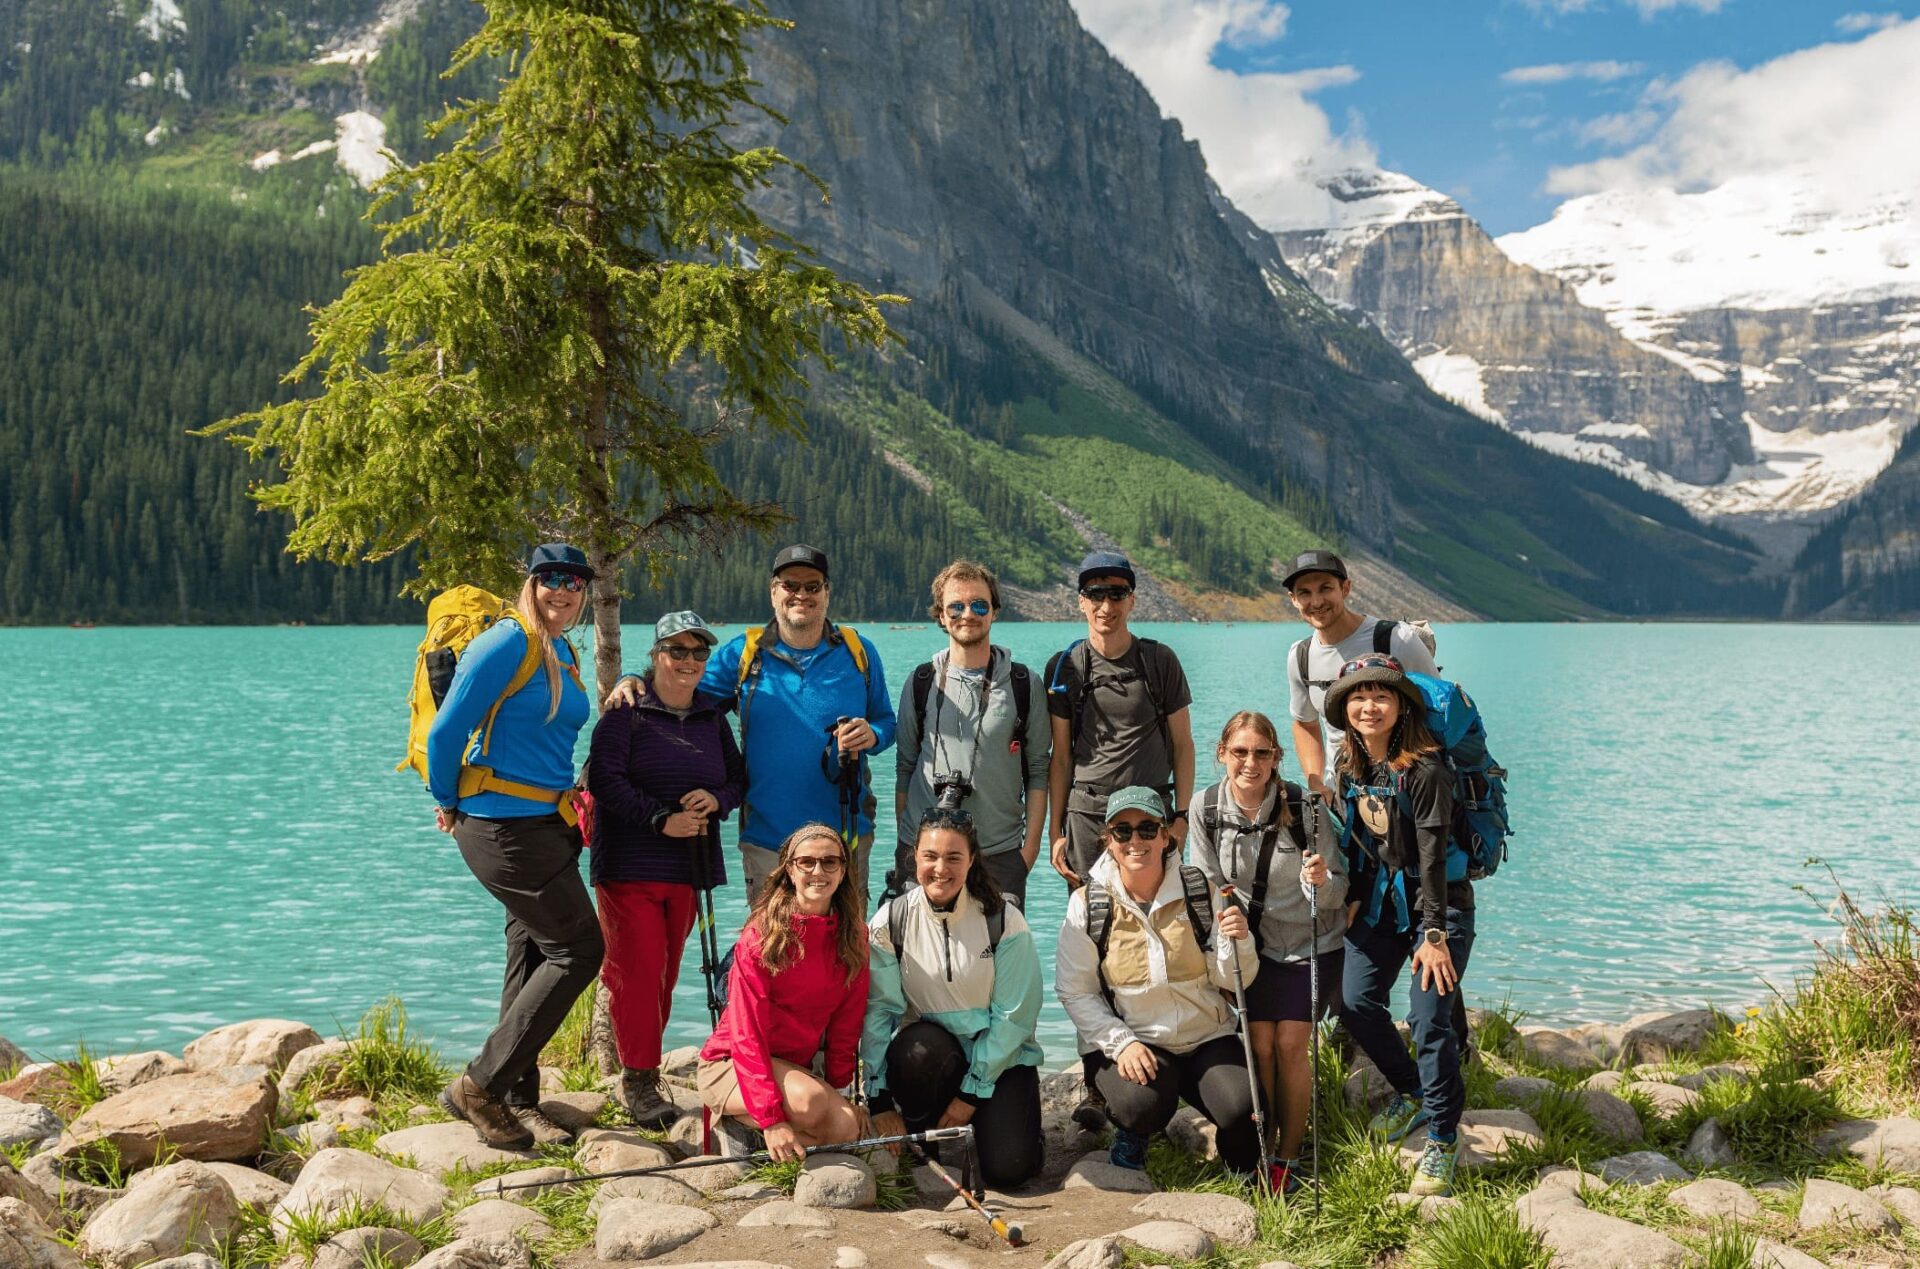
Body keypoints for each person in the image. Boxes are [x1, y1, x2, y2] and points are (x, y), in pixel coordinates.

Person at [427, 543, 603, 1150]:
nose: (564, 590)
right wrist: (447, 799)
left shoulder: (562, 650)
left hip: (547, 824)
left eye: (575, 582)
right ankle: (478, 1086)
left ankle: (515, 1096)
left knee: (531, 951)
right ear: (530, 583)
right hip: (500, 826)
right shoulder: (508, 641)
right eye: (551, 579)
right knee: (580, 948)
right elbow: (448, 729)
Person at [612, 544, 895, 900]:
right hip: (767, 839)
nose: (801, 595)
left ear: (827, 592)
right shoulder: (744, 654)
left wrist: (872, 735)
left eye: (813, 586)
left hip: (846, 834)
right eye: (790, 585)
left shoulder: (859, 651)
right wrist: (633, 678)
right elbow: (681, 690)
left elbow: (886, 721)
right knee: (773, 951)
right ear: (773, 591)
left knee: (846, 951)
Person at [1046, 550, 1195, 1129]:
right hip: (1088, 821)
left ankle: (1172, 1055)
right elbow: (1061, 755)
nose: (1105, 605)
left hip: (1152, 819)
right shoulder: (1065, 667)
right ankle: (1098, 1083)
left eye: (1116, 594)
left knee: (1166, 935)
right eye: (1094, 594)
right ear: (1080, 601)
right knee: (1094, 943)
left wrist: (1181, 816)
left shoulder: (1159, 662)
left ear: (1133, 599)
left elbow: (1182, 745)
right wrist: (1060, 827)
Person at [586, 610, 745, 1129]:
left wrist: (715, 799)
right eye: (678, 651)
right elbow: (605, 783)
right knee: (637, 973)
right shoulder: (624, 716)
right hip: (630, 866)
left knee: (664, 976)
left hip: (688, 868)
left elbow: (739, 780)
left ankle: (644, 1070)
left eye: (699, 653)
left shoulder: (712, 718)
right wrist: (660, 820)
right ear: (655, 654)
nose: (689, 661)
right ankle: (637, 1081)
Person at [1324, 654, 1473, 1198]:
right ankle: (1412, 1090)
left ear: (1400, 706)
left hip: (1440, 909)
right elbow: (1361, 843)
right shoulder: (1351, 766)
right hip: (1384, 907)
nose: (1369, 706)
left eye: (1381, 696)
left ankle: (1442, 1135)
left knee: (1429, 1017)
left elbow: (1432, 856)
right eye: (1358, 697)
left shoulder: (1427, 769)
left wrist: (1435, 936)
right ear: (1345, 709)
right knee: (1355, 1001)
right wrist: (1355, 899)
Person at [1055, 787, 1261, 1177]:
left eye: (1148, 829)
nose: (1136, 840)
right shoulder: (1087, 903)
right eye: (1123, 831)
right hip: (1138, 1040)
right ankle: (1135, 1134)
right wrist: (1121, 1043)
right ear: (1108, 841)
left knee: (1246, 1111)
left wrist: (1240, 942)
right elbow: (1074, 990)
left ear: (1166, 836)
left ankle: (1243, 1175)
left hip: (1206, 1036)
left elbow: (1235, 978)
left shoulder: (1200, 890)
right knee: (1140, 1106)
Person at [1186, 711, 1347, 1194]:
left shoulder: (1304, 807)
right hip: (1250, 949)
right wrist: (1223, 918)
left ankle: (1288, 1159)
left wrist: (1321, 881)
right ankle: (1263, 1144)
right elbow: (1207, 881)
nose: (1250, 763)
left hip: (1309, 942)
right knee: (1258, 1048)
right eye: (1240, 752)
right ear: (1222, 754)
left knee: (1290, 1045)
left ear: (1277, 757)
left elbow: (1340, 890)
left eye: (1261, 753)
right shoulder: (1206, 807)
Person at [864, 810, 1046, 1189]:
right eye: (930, 856)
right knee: (916, 1047)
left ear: (972, 860)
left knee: (1010, 1171)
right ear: (914, 856)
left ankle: (999, 1127)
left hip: (999, 1065)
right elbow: (880, 1012)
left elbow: (1015, 1018)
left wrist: (971, 1093)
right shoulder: (889, 922)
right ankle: (922, 1129)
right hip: (934, 1057)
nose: (940, 869)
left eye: (953, 857)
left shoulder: (1003, 919)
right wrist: (878, 1097)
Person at [697, 823, 871, 1160]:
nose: (818, 871)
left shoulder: (854, 938)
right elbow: (747, 1035)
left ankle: (763, 1139)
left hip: (792, 1069)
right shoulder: (760, 937)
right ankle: (743, 1124)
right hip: (731, 1063)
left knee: (847, 1126)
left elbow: (846, 1028)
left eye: (829, 862)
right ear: (789, 870)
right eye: (806, 862)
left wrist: (842, 1089)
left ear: (843, 871)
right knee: (812, 1103)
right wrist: (771, 1117)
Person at [889, 560, 1049, 908]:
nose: (968, 614)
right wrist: (910, 841)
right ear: (941, 616)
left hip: (999, 853)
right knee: (915, 959)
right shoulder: (921, 682)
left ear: (994, 612)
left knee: (996, 960)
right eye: (956, 606)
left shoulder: (1023, 684)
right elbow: (905, 766)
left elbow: (1038, 771)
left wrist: (1029, 851)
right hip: (927, 855)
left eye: (979, 605)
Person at [1281, 549, 1438, 804]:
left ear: (1345, 588)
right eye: (1305, 593)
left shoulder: (1396, 640)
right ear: (1294, 600)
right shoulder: (1300, 656)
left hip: (1407, 795)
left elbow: (1438, 711)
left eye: (1325, 588)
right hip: (1342, 796)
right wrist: (1316, 781)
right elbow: (1305, 723)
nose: (1317, 601)